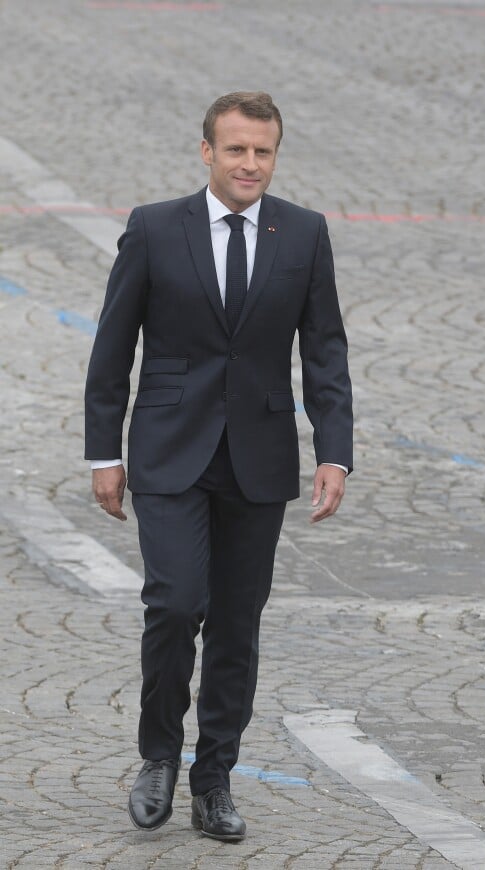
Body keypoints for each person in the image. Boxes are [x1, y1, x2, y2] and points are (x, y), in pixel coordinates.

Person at [84, 91, 353, 841]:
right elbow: (112, 349)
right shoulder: (153, 228)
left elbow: (324, 348)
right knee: (174, 604)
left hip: (258, 459)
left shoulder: (303, 232)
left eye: (262, 151)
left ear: (275, 154)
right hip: (169, 452)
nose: (249, 164)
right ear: (207, 152)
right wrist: (104, 454)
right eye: (236, 149)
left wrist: (335, 449)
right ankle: (159, 757)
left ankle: (215, 781)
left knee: (237, 627)